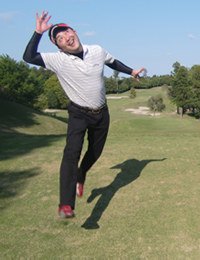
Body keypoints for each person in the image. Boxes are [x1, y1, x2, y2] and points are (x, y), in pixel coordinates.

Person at [23, 11, 146, 219]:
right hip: (78, 113)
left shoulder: (96, 50)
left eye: (67, 33)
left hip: (102, 113)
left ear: (75, 32)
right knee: (71, 153)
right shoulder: (57, 60)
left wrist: (131, 71)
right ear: (59, 47)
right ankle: (66, 205)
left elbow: (112, 62)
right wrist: (38, 33)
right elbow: (29, 57)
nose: (66, 38)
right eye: (60, 39)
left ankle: (82, 173)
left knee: (95, 153)